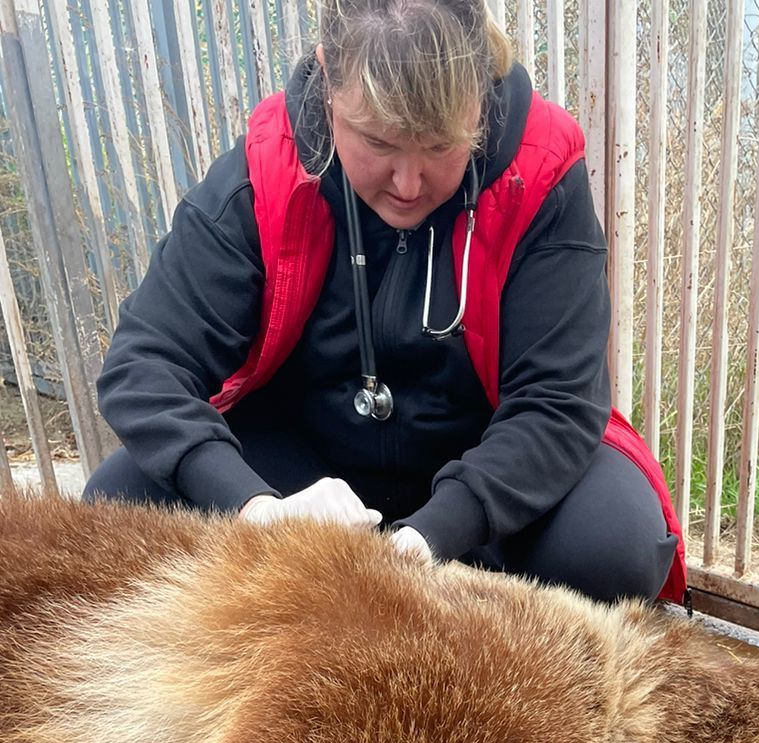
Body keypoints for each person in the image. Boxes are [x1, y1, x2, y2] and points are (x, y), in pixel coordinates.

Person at [84, 0, 686, 606]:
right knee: (121, 498)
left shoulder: (542, 167)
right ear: (326, 80)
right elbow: (143, 365)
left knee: (614, 544)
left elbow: (557, 402)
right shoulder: (269, 165)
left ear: (481, 94)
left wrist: (436, 532)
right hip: (306, 473)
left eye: (439, 147)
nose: (406, 183)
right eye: (378, 141)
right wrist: (253, 507)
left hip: (488, 466)